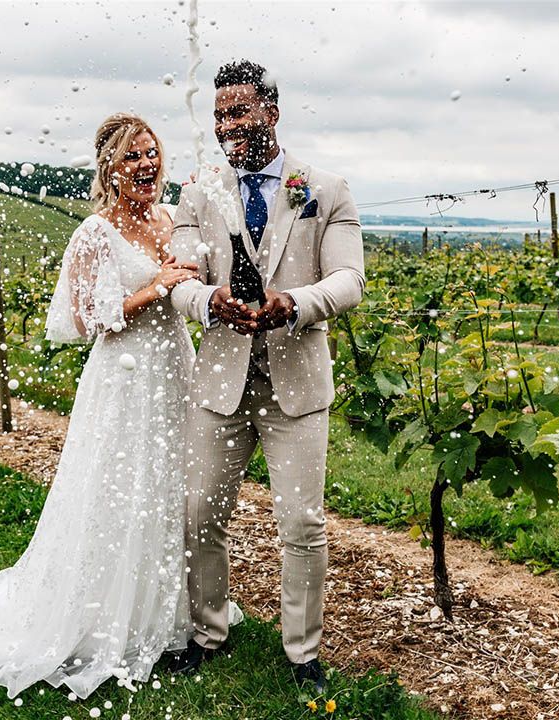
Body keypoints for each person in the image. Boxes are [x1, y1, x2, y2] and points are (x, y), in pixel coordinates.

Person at [0, 113, 200, 700]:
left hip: (174, 367)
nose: (146, 164)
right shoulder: (94, 233)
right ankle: (106, 616)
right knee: (119, 488)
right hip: (125, 376)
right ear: (110, 168)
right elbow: (85, 320)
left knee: (171, 485)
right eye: (131, 156)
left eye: (151, 153)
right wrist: (154, 288)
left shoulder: (172, 218)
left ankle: (171, 612)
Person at [168, 59, 365, 695]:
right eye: (218, 114)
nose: (226, 125)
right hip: (220, 382)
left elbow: (349, 279)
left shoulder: (325, 189)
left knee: (302, 525)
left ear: (271, 114)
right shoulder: (198, 191)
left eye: (239, 111)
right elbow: (180, 279)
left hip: (296, 387)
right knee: (200, 514)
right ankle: (207, 633)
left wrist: (297, 303)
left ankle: (303, 653)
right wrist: (208, 301)